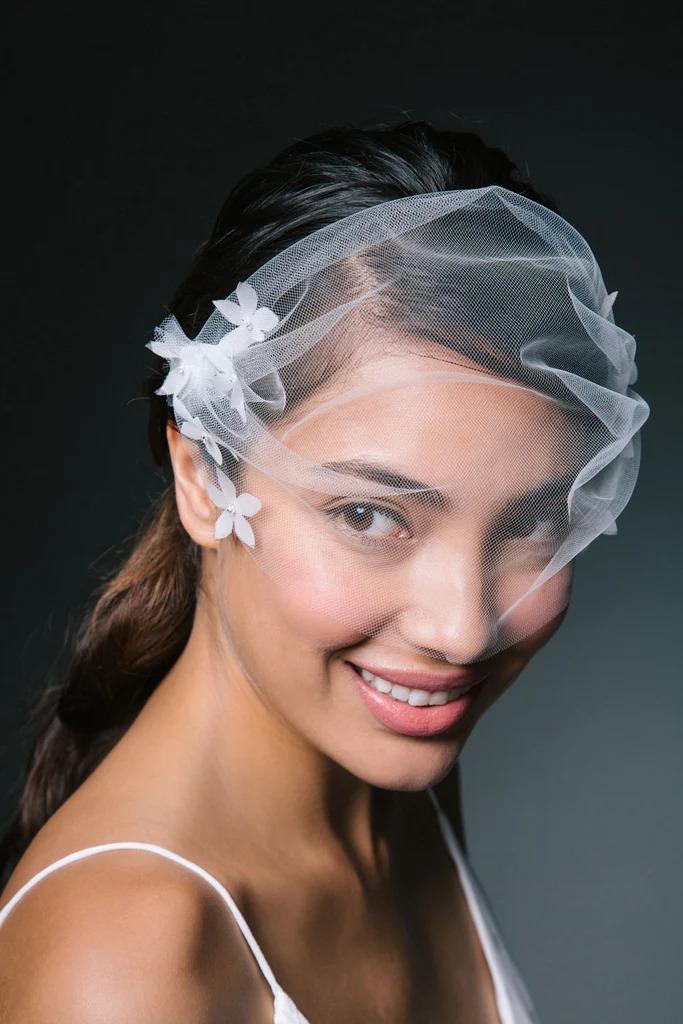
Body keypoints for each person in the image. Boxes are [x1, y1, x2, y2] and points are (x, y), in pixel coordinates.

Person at [0, 121, 648, 1023]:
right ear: (202, 476)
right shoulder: (128, 960)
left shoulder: (386, 779)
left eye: (532, 522)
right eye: (370, 516)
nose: (461, 629)